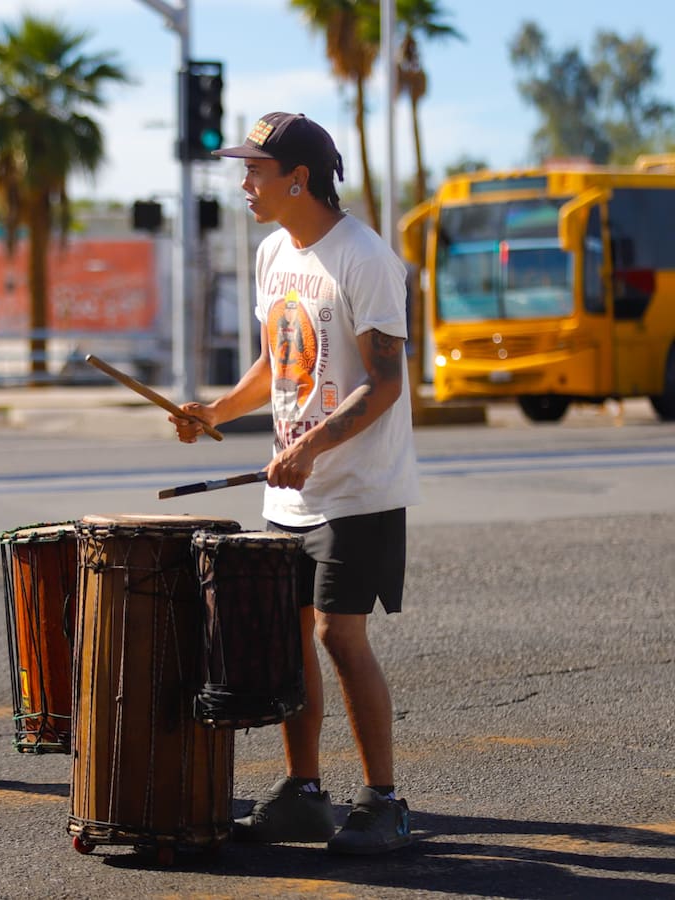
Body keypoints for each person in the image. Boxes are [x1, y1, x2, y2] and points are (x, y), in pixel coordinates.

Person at [170, 112, 420, 853]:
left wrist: (311, 446)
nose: (243, 183)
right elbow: (277, 361)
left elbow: (384, 384)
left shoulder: (365, 258)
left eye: (255, 171)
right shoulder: (274, 250)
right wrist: (219, 409)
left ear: (298, 179)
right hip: (290, 490)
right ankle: (304, 791)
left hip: (358, 487)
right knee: (286, 642)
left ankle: (384, 800)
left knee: (339, 635)